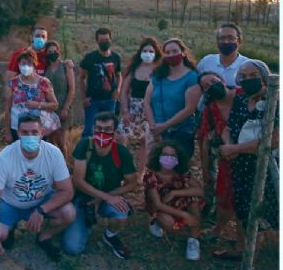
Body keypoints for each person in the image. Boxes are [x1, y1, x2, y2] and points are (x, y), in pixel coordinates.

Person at [0, 114, 75, 262]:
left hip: (41, 201)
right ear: (18, 133)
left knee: (68, 213)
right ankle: (11, 225)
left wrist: (42, 210)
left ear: (42, 133)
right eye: (25, 132)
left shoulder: (53, 153)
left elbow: (67, 191)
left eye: (34, 132)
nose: (30, 136)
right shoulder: (4, 157)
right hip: (11, 204)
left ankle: (44, 237)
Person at [220, 60, 279, 252]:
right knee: (243, 206)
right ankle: (242, 249)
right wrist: (229, 145)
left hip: (266, 165)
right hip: (241, 163)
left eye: (254, 76)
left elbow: (274, 140)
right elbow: (229, 128)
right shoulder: (241, 99)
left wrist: (234, 149)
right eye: (243, 76)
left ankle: (260, 252)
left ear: (264, 77)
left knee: (268, 209)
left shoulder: (275, 102)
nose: (248, 79)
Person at [62, 112, 137, 259]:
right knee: (72, 248)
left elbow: (132, 183)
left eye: (108, 129)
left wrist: (104, 198)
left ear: (115, 131)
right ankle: (82, 222)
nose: (102, 133)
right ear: (93, 128)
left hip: (108, 196)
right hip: (84, 198)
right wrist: (104, 197)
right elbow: (78, 181)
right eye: (98, 128)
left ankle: (110, 235)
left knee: (121, 212)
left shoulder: (121, 152)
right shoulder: (85, 145)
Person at [196, 71, 243, 259]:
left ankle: (243, 244)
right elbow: (204, 140)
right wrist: (206, 170)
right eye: (206, 86)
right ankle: (218, 229)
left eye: (214, 81)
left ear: (222, 80)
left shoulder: (244, 96)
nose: (212, 86)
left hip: (253, 156)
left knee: (245, 201)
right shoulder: (211, 109)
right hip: (227, 159)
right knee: (225, 196)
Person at [144, 141, 205, 261]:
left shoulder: (182, 174)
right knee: (170, 224)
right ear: (158, 157)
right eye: (165, 154)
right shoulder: (151, 176)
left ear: (178, 159)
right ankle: (157, 222)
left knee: (194, 202)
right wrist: (184, 215)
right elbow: (158, 204)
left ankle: (193, 240)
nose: (168, 158)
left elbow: (200, 191)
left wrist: (175, 193)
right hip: (162, 207)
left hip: (179, 203)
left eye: (172, 155)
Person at [144, 38, 201, 160]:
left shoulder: (192, 77)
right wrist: (154, 128)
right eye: (167, 52)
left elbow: (189, 108)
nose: (171, 55)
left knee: (176, 166)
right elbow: (147, 102)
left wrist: (164, 126)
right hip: (156, 131)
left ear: (183, 53)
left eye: (175, 51)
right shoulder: (158, 75)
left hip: (180, 132)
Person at [117, 37, 162, 177]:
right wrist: (125, 111)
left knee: (145, 142)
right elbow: (124, 91)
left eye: (151, 51)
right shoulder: (133, 69)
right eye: (145, 50)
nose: (148, 53)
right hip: (133, 109)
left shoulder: (160, 70)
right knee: (120, 137)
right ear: (140, 52)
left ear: (156, 53)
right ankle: (122, 170)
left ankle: (141, 174)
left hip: (151, 111)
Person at [4, 49, 59, 143]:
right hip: (17, 128)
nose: (26, 66)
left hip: (38, 128)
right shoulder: (13, 83)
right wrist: (7, 131)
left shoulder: (43, 82)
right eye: (23, 63)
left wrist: (37, 105)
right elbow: (7, 108)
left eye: (29, 63)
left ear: (34, 65)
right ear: (19, 64)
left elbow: (54, 105)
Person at [79, 27, 122, 138]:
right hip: (93, 101)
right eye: (101, 40)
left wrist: (117, 90)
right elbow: (82, 78)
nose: (104, 42)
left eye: (107, 40)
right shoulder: (90, 58)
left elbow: (119, 75)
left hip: (110, 100)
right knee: (89, 132)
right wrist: (84, 98)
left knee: (109, 131)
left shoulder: (116, 57)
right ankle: (87, 149)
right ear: (97, 41)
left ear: (111, 40)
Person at [43, 40, 75, 159]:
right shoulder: (45, 68)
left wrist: (66, 108)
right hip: (49, 110)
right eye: (50, 51)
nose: (53, 53)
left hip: (63, 108)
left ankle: (64, 164)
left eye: (55, 51)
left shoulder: (66, 66)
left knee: (62, 142)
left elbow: (72, 89)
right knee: (51, 142)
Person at [196, 23, 249, 88]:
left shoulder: (248, 65)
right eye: (222, 38)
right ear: (217, 41)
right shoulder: (206, 62)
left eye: (231, 38)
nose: (226, 41)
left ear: (239, 41)